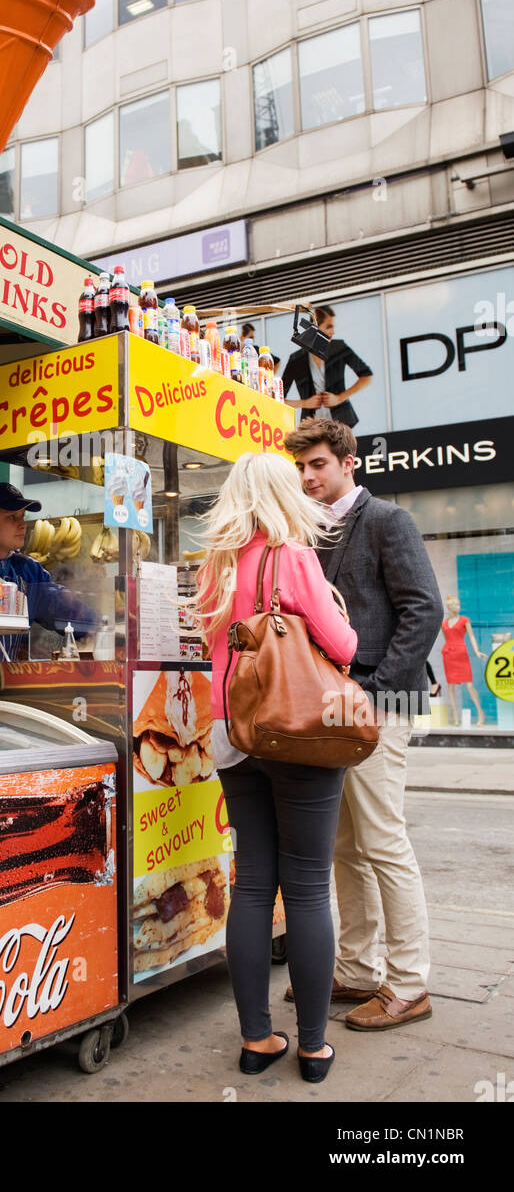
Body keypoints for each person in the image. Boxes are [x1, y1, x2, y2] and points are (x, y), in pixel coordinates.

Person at [194, 452, 358, 1084]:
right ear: (286, 495)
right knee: (310, 886)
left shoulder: (214, 568)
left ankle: (257, 1039)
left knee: (254, 884)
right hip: (297, 733)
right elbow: (343, 646)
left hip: (232, 733)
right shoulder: (294, 556)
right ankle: (314, 1048)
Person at [283, 417, 443, 1032]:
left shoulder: (386, 520)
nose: (307, 477)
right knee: (344, 846)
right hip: (331, 704)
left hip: (378, 702)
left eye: (317, 464)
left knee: (382, 841)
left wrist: (375, 693)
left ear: (349, 461)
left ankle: (409, 985)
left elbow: (423, 609)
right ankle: (356, 967)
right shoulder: (311, 529)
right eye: (301, 468)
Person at [0, 483, 97, 653]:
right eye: (12, 517)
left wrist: (103, 624)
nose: (22, 524)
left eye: (22, 517)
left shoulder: (29, 571)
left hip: (7, 675)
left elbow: (69, 612)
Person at [279, 305, 373, 428]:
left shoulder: (339, 347)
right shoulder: (296, 359)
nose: (333, 332)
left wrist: (339, 398)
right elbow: (279, 398)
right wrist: (305, 403)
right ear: (314, 329)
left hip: (342, 422)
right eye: (329, 327)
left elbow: (366, 376)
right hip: (311, 427)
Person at [440, 595, 487, 726]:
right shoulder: (443, 624)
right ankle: (455, 715)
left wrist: (476, 650)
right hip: (449, 654)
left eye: (459, 605)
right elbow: (446, 638)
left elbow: (471, 636)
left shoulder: (464, 620)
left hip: (461, 653)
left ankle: (480, 713)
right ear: (449, 607)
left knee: (469, 685)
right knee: (451, 686)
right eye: (455, 605)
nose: (458, 607)